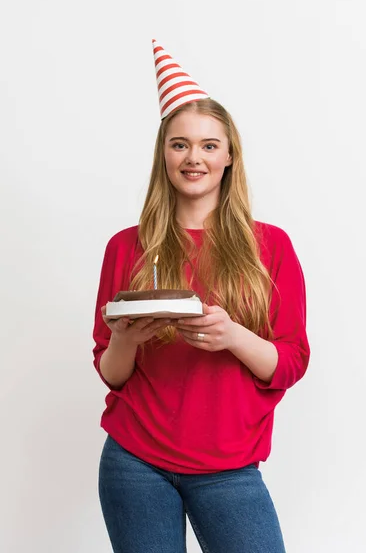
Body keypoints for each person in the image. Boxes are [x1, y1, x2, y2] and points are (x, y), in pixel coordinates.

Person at [92, 39, 311, 553]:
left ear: (230, 156)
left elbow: (290, 363)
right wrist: (124, 338)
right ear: (163, 155)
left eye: (209, 145)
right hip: (134, 463)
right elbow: (110, 369)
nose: (194, 157)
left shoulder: (270, 246)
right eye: (180, 144)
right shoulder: (125, 246)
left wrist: (232, 335)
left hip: (229, 468)